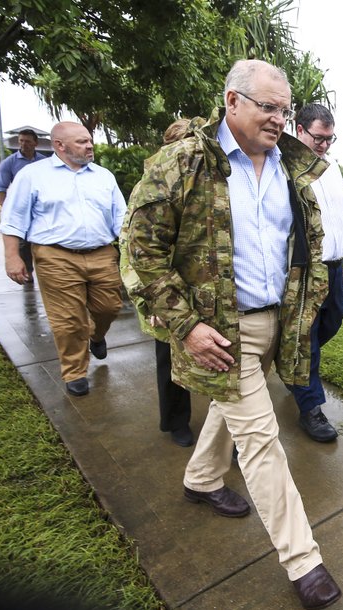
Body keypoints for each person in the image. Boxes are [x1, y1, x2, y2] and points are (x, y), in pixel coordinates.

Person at [121, 59, 341, 609]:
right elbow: (141, 253)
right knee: (262, 440)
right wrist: (186, 325)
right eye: (268, 107)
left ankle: (200, 479)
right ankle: (303, 560)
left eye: (284, 110)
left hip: (275, 321)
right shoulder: (183, 164)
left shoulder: (294, 167)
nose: (278, 119)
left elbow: (303, 249)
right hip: (220, 328)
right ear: (232, 101)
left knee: (235, 408)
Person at [0, 122, 125, 398]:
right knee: (68, 321)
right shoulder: (33, 176)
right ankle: (75, 372)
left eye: (89, 141)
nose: (89, 146)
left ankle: (96, 335)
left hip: (102, 252)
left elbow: (122, 219)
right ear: (59, 145)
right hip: (55, 256)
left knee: (110, 307)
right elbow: (13, 219)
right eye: (81, 142)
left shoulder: (103, 177)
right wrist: (12, 257)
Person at [120, 118, 203, 447]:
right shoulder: (150, 188)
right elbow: (134, 251)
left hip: (206, 290)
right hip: (166, 289)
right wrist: (153, 300)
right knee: (170, 359)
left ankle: (233, 437)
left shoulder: (209, 185)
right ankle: (175, 421)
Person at [289, 104, 343, 442]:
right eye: (320, 138)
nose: (324, 145)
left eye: (330, 139)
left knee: (333, 320)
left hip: (334, 267)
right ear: (300, 129)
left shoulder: (331, 167)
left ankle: (293, 364)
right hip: (308, 269)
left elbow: (342, 212)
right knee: (308, 338)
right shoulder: (287, 169)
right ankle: (311, 408)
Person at [0, 129, 48, 278]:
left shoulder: (44, 162)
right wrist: (7, 211)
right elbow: (0, 188)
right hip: (23, 208)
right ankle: (28, 272)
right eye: (21, 141)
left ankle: (46, 272)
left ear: (35, 143)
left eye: (28, 141)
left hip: (41, 209)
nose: (24, 144)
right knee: (23, 244)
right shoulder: (9, 163)